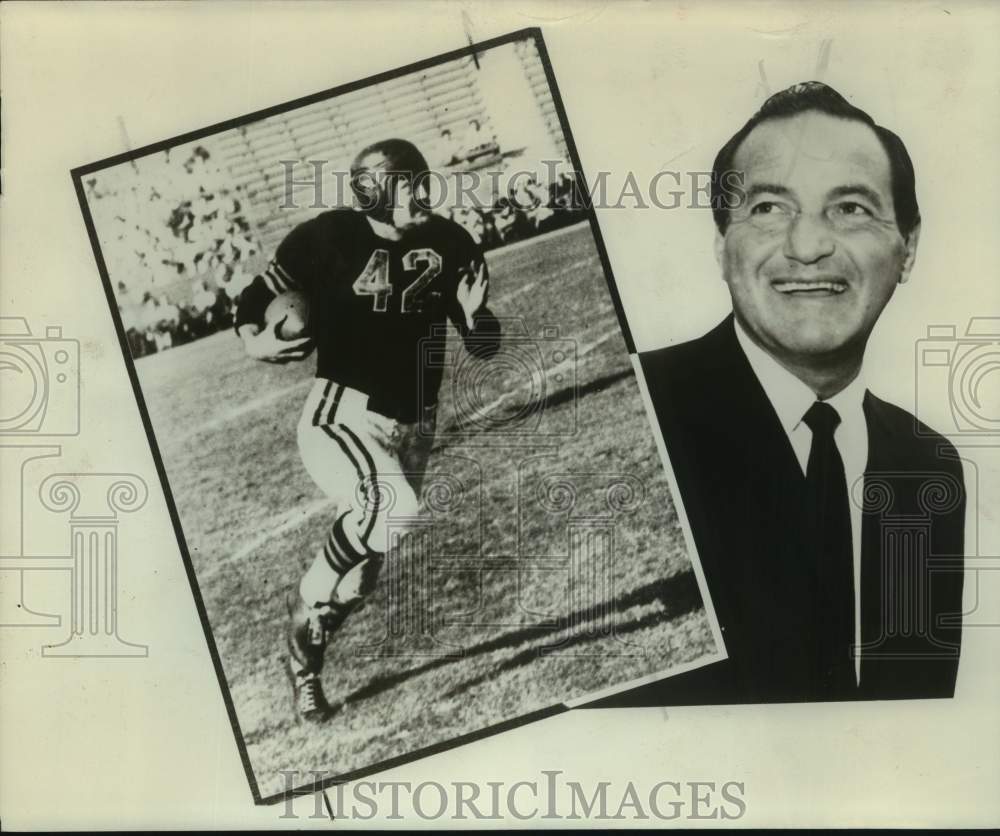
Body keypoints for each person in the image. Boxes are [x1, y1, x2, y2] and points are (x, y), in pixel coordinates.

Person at [619, 82, 966, 705]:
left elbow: (913, 726)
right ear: (722, 246)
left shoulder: (927, 466)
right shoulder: (635, 417)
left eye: (852, 208)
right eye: (769, 208)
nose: (808, 246)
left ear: (907, 248)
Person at [234, 138, 502, 722]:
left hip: (416, 423)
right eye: (408, 181)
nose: (423, 190)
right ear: (375, 190)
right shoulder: (327, 238)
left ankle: (306, 658)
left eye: (421, 178)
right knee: (392, 509)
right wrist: (256, 340)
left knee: (359, 582)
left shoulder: (451, 242)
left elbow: (485, 346)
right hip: (342, 413)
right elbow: (253, 300)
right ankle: (308, 599)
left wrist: (477, 314)